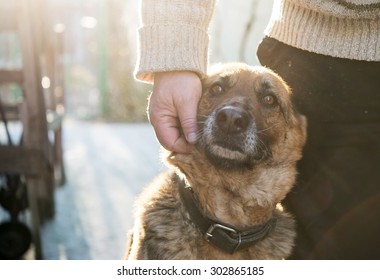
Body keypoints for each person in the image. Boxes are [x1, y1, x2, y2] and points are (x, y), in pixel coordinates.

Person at [134, 0, 380, 259]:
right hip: (305, 53)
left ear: (296, 132)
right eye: (217, 89)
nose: (232, 115)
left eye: (268, 100)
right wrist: (174, 57)